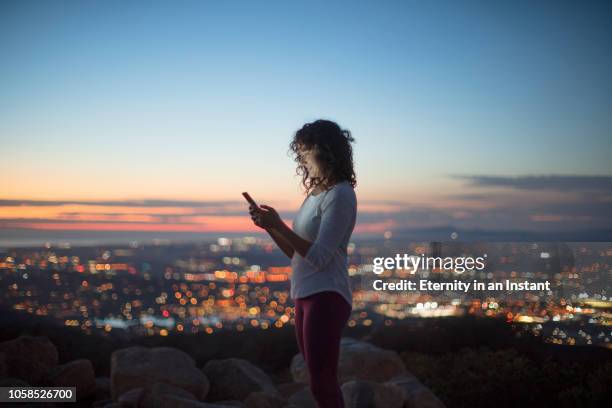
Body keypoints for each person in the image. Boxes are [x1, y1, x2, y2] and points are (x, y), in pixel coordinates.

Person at [248, 119, 357, 408]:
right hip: (305, 293)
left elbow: (320, 257)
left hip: (327, 295)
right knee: (317, 382)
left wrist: (280, 225)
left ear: (324, 152)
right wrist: (269, 227)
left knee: (323, 385)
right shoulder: (315, 197)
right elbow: (297, 254)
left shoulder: (341, 195)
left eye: (304, 152)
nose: (301, 160)